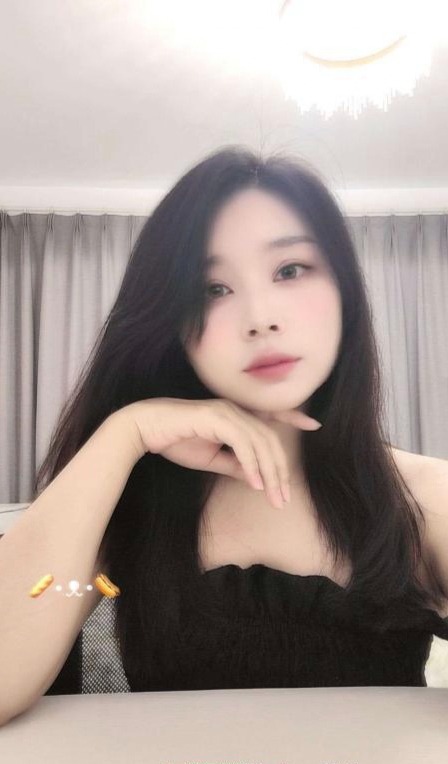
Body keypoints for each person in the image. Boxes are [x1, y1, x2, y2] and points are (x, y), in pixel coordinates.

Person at [2, 148, 448, 721]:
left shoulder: (423, 498)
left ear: (345, 290)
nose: (260, 318)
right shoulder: (131, 504)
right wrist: (125, 433)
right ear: (171, 323)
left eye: (290, 270)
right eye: (212, 289)